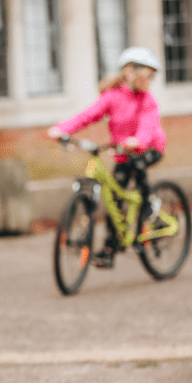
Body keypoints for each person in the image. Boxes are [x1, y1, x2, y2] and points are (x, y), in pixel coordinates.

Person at [47, 47, 166, 269]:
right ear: (130, 73)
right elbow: (88, 115)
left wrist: (137, 141)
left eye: (152, 77)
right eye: (147, 76)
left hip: (149, 148)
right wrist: (62, 129)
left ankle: (148, 204)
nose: (150, 81)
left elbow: (148, 127)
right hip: (122, 152)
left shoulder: (148, 101)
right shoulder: (112, 97)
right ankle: (110, 248)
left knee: (137, 163)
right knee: (113, 197)